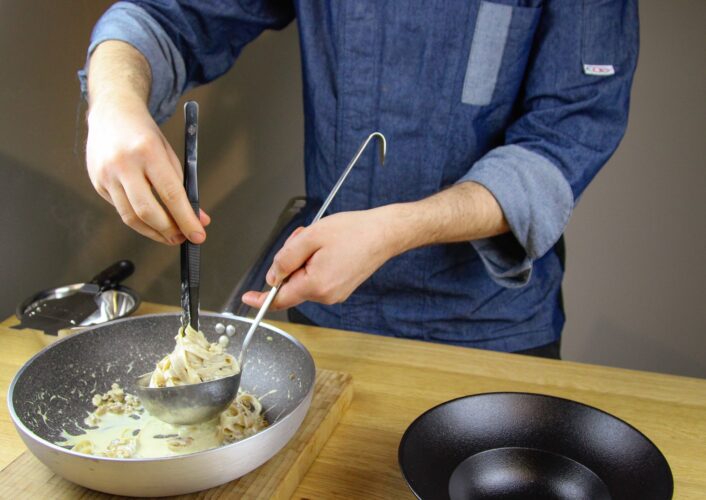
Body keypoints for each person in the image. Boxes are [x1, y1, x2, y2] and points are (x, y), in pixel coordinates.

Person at [79, 1, 639, 359]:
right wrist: (114, 102)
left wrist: (401, 227)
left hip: (491, 330)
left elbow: (567, 133)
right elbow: (166, 17)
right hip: (329, 325)